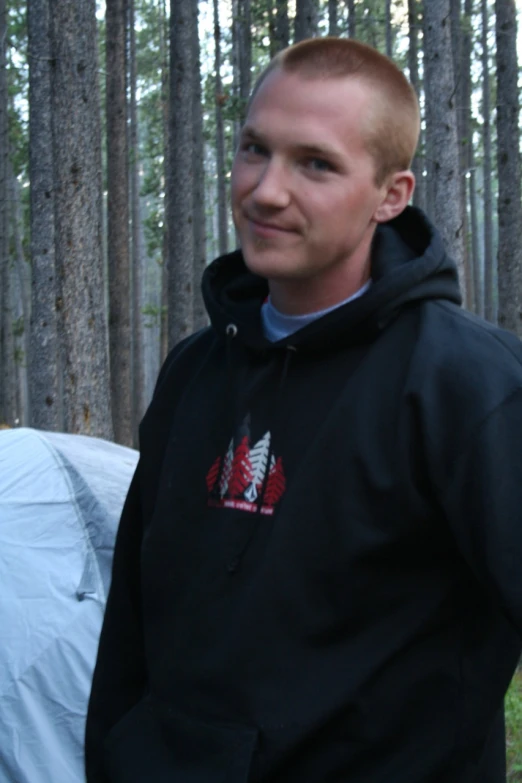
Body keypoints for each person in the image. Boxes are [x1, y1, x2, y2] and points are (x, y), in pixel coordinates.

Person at [85, 37, 522, 783]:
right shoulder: (196, 369)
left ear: (392, 193)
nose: (265, 190)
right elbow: (131, 624)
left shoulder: (468, 385)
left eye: (315, 163)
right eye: (255, 149)